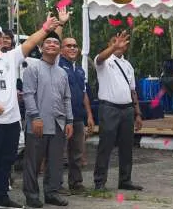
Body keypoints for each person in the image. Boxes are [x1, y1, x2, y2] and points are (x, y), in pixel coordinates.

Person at [0, 16, 64, 209]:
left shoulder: (9, 57)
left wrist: (45, 27)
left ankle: (1, 197)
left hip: (12, 119)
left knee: (7, 161)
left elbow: (31, 42)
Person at [22, 30, 73, 207]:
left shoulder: (62, 73)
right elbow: (28, 95)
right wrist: (35, 116)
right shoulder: (33, 68)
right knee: (33, 161)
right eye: (48, 42)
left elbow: (67, 98)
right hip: (38, 123)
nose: (52, 44)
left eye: (55, 43)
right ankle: (31, 194)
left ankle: (51, 193)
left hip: (58, 123)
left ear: (60, 49)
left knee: (56, 162)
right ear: (41, 47)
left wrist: (69, 121)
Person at [92, 31, 144, 192]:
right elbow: (100, 58)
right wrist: (113, 47)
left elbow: (132, 90)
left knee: (127, 146)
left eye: (121, 43)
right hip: (109, 108)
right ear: (109, 45)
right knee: (105, 145)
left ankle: (125, 180)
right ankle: (99, 181)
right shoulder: (104, 62)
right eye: (114, 42)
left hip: (127, 109)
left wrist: (138, 113)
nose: (119, 45)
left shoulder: (128, 65)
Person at [58, 36, 94, 193]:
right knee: (58, 152)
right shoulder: (58, 66)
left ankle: (76, 183)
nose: (73, 48)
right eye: (68, 45)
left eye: (75, 45)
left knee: (77, 153)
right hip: (62, 117)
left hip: (78, 117)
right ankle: (56, 185)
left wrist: (90, 115)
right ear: (61, 50)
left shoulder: (80, 70)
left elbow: (84, 94)